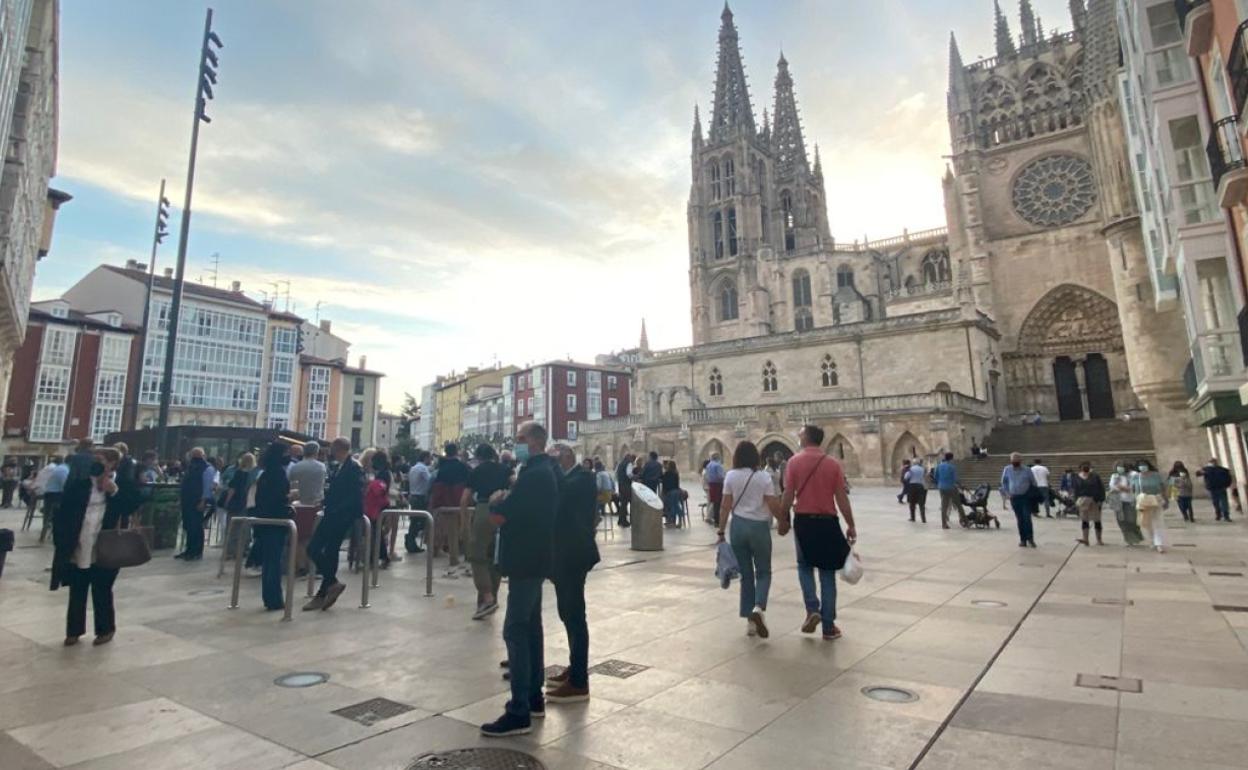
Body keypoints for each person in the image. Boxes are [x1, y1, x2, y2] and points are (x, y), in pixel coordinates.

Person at [481, 421, 559, 737]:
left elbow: (500, 514)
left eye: (521, 439)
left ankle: (519, 711)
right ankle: (533, 698)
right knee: (531, 628)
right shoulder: (543, 472)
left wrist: (498, 500)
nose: (517, 444)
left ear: (536, 442)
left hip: (526, 559)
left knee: (515, 629)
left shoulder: (534, 476)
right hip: (536, 557)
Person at [779, 425, 856, 641]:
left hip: (804, 521)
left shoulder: (794, 462)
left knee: (804, 567)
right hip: (827, 522)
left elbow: (788, 493)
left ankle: (812, 608)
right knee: (827, 573)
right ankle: (829, 626)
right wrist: (850, 524)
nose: (798, 435)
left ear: (807, 438)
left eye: (800, 433)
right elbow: (842, 498)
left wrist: (783, 517)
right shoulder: (833, 464)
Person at [51, 446, 126, 646]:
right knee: (78, 587)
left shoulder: (120, 482)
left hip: (105, 544)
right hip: (79, 542)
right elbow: (64, 510)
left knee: (102, 588)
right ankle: (73, 631)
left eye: (102, 460)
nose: (97, 463)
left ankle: (105, 629)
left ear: (112, 464)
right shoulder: (80, 483)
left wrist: (113, 491)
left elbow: (129, 506)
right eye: (95, 460)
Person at [546, 444, 599, 703]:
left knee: (575, 615)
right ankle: (574, 667)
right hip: (564, 555)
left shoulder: (582, 478)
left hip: (574, 555)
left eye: (555, 456)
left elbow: (563, 495)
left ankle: (579, 681)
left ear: (565, 457)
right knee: (567, 613)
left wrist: (552, 468)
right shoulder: (572, 478)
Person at [717, 440, 780, 638]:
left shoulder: (730, 476)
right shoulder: (763, 477)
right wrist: (784, 522)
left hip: (738, 527)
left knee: (746, 575)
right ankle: (758, 608)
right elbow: (772, 503)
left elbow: (725, 506)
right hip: (759, 527)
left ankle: (750, 624)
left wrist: (720, 531)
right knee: (763, 571)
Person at [303, 438, 364, 611]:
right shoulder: (341, 466)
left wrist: (336, 508)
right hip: (335, 513)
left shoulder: (352, 468)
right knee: (329, 551)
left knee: (315, 548)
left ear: (337, 449)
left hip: (339, 516)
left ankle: (329, 586)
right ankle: (328, 588)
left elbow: (354, 495)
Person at [463, 444, 510, 619]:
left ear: (479, 457)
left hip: (483, 509)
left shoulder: (476, 471)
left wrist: (464, 522)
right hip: (501, 512)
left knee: (477, 556)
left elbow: (465, 498)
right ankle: (488, 601)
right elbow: (515, 484)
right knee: (495, 556)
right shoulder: (505, 469)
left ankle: (488, 598)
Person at [252, 443, 293, 610]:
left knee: (269, 561)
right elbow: (279, 498)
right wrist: (290, 497)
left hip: (264, 520)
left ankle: (269, 597)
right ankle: (275, 599)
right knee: (274, 560)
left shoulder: (265, 474)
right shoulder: (279, 474)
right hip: (276, 520)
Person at [431, 442, 471, 564]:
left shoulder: (441, 469)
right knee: (465, 527)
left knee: (452, 531)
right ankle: (468, 555)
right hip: (463, 502)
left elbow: (437, 487)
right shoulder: (463, 467)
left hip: (447, 503)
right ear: (456, 452)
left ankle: (453, 557)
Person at [175, 448, 214, 560]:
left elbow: (207, 487)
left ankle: (196, 551)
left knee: (196, 526)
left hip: (197, 500)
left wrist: (203, 501)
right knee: (188, 525)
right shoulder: (192, 467)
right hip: (188, 500)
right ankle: (189, 550)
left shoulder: (207, 469)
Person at [1000, 452, 1038, 548]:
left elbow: (1033, 482)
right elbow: (1004, 482)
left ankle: (1030, 538)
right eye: (1013, 461)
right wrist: (1007, 493)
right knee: (1020, 519)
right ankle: (1023, 539)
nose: (1015, 463)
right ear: (1011, 461)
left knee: (1027, 518)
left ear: (1021, 461)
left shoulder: (1027, 470)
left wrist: (1031, 493)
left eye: (1017, 461)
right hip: (1014, 497)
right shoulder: (1007, 469)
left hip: (1025, 497)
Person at [364, 450, 393, 567]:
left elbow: (379, 491)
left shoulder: (381, 474)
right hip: (380, 505)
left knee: (376, 532)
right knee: (377, 532)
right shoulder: (386, 472)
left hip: (376, 506)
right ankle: (381, 556)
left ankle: (378, 556)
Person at [1133, 459, 1169, 553]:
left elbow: (1163, 487)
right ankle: (1152, 540)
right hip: (1144, 502)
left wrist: (1166, 499)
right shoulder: (1136, 476)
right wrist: (1136, 502)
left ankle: (1159, 544)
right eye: (1140, 465)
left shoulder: (1156, 475)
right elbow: (1134, 491)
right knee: (1147, 523)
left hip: (1156, 500)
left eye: (1144, 465)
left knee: (1158, 522)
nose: (1142, 467)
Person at [1108, 461, 1144, 546]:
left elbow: (1134, 486)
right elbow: (1112, 486)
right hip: (1118, 502)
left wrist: (1122, 488)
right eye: (1118, 467)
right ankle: (1129, 540)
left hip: (1131, 501)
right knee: (1122, 521)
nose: (1120, 469)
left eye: (1122, 467)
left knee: (1131, 520)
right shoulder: (1115, 476)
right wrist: (1123, 488)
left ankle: (1137, 536)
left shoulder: (1133, 474)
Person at [405, 450, 432, 552]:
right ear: (425, 458)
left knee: (414, 521)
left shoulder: (413, 468)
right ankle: (410, 539)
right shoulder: (423, 469)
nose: (431, 460)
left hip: (413, 496)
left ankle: (410, 540)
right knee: (421, 521)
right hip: (420, 497)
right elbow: (430, 481)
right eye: (429, 458)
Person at [1073, 463, 1105, 546]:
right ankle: (1085, 539)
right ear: (1081, 469)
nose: (1085, 471)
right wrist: (1076, 501)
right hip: (1083, 500)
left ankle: (1099, 540)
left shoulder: (1095, 477)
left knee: (1097, 520)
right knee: (1084, 520)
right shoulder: (1077, 477)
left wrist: (1101, 499)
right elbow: (1075, 490)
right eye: (1084, 469)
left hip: (1094, 500)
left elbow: (1101, 488)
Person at [1197, 458, 1234, 522]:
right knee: (1222, 502)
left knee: (1217, 502)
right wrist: (1227, 485)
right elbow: (1229, 478)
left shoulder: (1207, 469)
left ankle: (1220, 515)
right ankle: (1225, 515)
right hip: (1220, 488)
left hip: (1214, 488)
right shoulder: (1222, 469)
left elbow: (1197, 474)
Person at [933, 452, 963, 529]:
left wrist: (940, 483)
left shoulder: (939, 466)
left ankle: (944, 524)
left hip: (941, 488)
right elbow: (955, 479)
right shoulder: (952, 467)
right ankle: (965, 520)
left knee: (944, 506)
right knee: (958, 505)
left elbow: (935, 477)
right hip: (950, 488)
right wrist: (961, 485)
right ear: (951, 458)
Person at [704, 452, 726, 528]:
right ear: (718, 457)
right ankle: (718, 520)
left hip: (711, 485)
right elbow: (721, 476)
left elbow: (707, 476)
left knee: (714, 503)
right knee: (719, 503)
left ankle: (715, 520)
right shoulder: (717, 465)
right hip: (718, 485)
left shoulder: (708, 465)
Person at [904, 459, 927, 523]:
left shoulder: (911, 469)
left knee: (912, 503)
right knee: (921, 503)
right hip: (920, 486)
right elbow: (924, 476)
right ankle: (923, 519)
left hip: (912, 486)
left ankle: (913, 517)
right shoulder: (922, 469)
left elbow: (906, 477)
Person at [660, 459, 682, 526]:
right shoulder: (676, 473)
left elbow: (664, 483)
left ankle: (671, 520)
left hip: (670, 492)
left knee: (670, 505)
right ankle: (679, 520)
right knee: (676, 505)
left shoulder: (667, 473)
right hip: (676, 491)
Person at [614, 453, 634, 528]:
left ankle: (620, 520)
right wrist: (634, 478)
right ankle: (624, 521)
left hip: (621, 485)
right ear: (629, 458)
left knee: (623, 503)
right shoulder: (629, 464)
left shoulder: (620, 464)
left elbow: (616, 474)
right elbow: (629, 474)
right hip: (626, 486)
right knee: (626, 503)